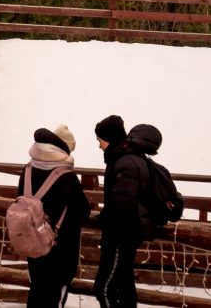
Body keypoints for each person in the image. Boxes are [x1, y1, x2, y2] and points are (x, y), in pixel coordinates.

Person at [92, 114, 169, 308]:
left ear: (109, 139)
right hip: (125, 237)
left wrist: (107, 223)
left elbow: (123, 205)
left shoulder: (125, 162)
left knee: (104, 289)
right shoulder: (126, 159)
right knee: (124, 287)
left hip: (120, 238)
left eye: (99, 140)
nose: (99, 145)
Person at [20, 125, 90, 308]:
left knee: (36, 292)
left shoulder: (26, 171)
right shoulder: (67, 178)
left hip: (33, 246)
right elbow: (84, 212)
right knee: (54, 297)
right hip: (60, 251)